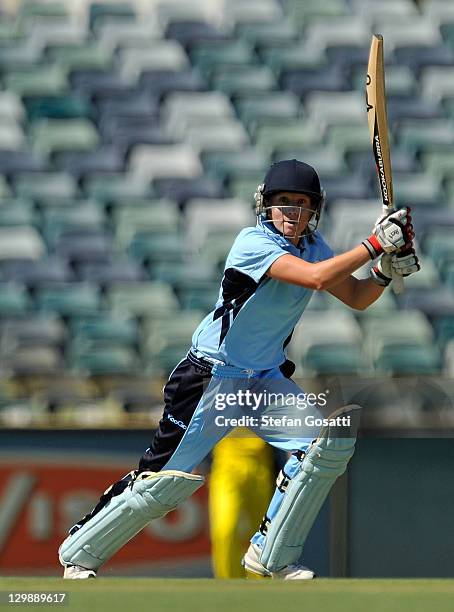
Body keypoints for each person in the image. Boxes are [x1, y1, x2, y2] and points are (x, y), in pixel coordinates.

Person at [59, 159, 420, 580]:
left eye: (300, 203)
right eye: (282, 202)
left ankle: (271, 555)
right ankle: (79, 554)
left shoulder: (315, 247)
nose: (291, 211)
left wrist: (381, 272)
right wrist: (376, 245)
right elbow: (317, 279)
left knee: (323, 446)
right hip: (211, 378)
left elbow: (356, 297)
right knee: (159, 482)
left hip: (264, 381)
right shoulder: (253, 243)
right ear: (264, 205)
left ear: (314, 210)